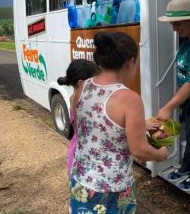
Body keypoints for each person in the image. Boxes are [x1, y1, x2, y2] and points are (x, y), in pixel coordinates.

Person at [69, 32, 169, 214]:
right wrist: (161, 154)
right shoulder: (129, 99)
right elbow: (139, 150)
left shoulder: (83, 86)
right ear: (130, 62)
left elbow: (82, 129)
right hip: (111, 189)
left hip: (81, 180)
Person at [157, 0, 190, 191]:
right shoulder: (187, 40)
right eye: (172, 24)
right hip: (187, 100)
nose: (174, 29)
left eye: (177, 24)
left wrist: (167, 107)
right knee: (188, 134)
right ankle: (186, 167)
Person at [57, 59, 101, 177]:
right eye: (95, 81)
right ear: (82, 83)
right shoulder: (81, 102)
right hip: (83, 157)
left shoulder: (75, 98)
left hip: (78, 151)